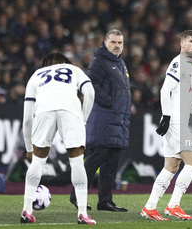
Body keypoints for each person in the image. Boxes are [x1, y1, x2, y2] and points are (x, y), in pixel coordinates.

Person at [21, 52, 96, 224]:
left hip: (44, 110)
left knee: (37, 162)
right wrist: (83, 119)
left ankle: (26, 210)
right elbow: (90, 93)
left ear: (45, 64)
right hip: (70, 109)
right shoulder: (74, 69)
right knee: (77, 162)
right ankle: (82, 213)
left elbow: (27, 119)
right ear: (64, 62)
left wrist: (28, 148)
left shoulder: (36, 75)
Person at [141, 30, 192, 221]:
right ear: (182, 44)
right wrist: (166, 117)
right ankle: (173, 205)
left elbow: (183, 94)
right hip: (175, 120)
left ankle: (150, 207)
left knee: (171, 167)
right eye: (191, 41)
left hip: (178, 118)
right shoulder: (179, 62)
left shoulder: (190, 64)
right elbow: (165, 89)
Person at [70, 29, 131, 212]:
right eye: (113, 42)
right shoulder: (99, 62)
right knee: (94, 159)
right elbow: (90, 85)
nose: (117, 46)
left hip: (117, 120)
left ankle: (105, 200)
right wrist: (109, 102)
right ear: (105, 43)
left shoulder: (120, 63)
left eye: (120, 43)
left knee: (111, 163)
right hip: (103, 119)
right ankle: (76, 195)